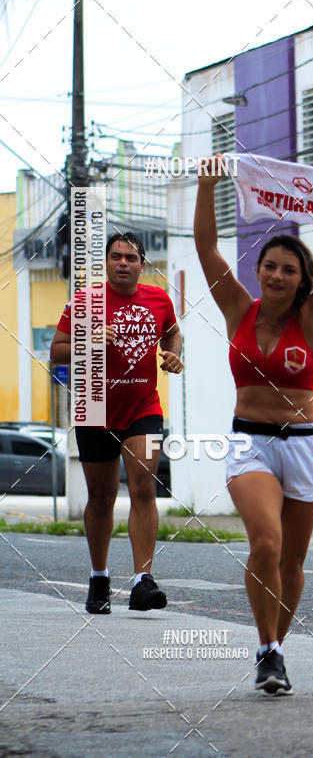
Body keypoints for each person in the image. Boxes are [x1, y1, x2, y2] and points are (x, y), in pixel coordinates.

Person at [194, 156, 313, 695]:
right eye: (269, 266)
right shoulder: (239, 308)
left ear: (301, 279)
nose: (277, 275)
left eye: (288, 269)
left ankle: (276, 652)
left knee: (293, 559)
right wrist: (206, 184)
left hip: (306, 445)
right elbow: (208, 250)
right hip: (249, 442)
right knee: (265, 543)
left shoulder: (312, 318)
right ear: (258, 270)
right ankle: (267, 647)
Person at [50, 232, 183, 614]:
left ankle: (143, 581)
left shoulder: (160, 299)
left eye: (130, 257)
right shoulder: (86, 302)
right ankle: (99, 576)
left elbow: (173, 333)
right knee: (102, 497)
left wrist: (172, 355)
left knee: (144, 487)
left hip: (145, 408)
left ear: (143, 263)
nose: (123, 263)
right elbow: (56, 351)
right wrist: (89, 338)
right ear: (106, 262)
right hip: (93, 407)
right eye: (116, 256)